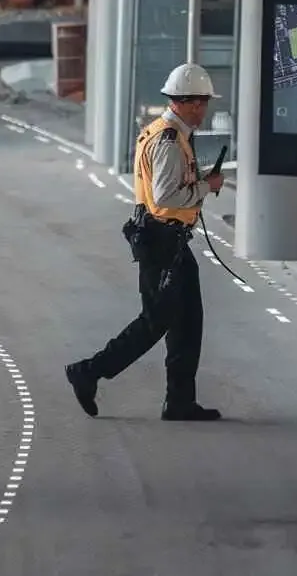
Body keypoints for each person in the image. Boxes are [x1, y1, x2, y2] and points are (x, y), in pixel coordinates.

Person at [65, 63, 225, 421]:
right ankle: (88, 372)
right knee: (154, 323)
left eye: (203, 102)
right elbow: (165, 196)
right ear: (180, 102)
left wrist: (198, 179)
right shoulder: (169, 139)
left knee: (187, 323)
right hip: (163, 241)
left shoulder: (166, 133)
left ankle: (180, 401)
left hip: (169, 241)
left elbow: (168, 183)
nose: (203, 109)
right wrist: (207, 187)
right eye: (198, 102)